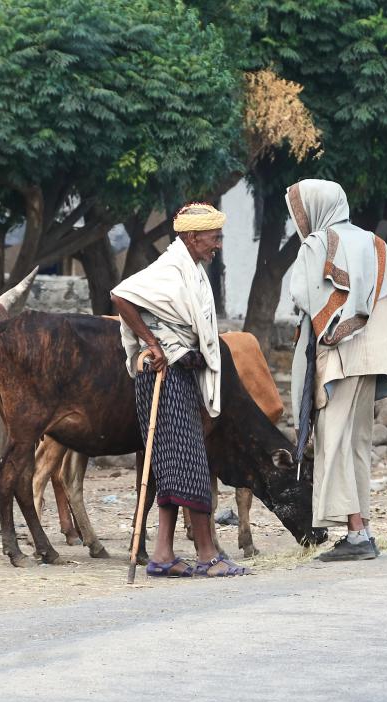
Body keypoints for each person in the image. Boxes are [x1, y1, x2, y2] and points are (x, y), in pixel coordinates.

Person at [110, 202, 248, 578]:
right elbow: (120, 296)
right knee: (189, 465)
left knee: (173, 467)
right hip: (162, 376)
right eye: (214, 238)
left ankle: (162, 555)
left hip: (179, 373)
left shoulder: (193, 270)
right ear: (192, 237)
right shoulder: (169, 268)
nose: (217, 245)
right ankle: (208, 555)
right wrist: (152, 343)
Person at [286, 180, 387, 561]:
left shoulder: (318, 244)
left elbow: (301, 295)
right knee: (356, 442)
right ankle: (364, 529)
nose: (299, 218)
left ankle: (356, 536)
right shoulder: (377, 243)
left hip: (339, 358)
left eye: (301, 210)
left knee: (334, 442)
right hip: (374, 357)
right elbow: (386, 295)